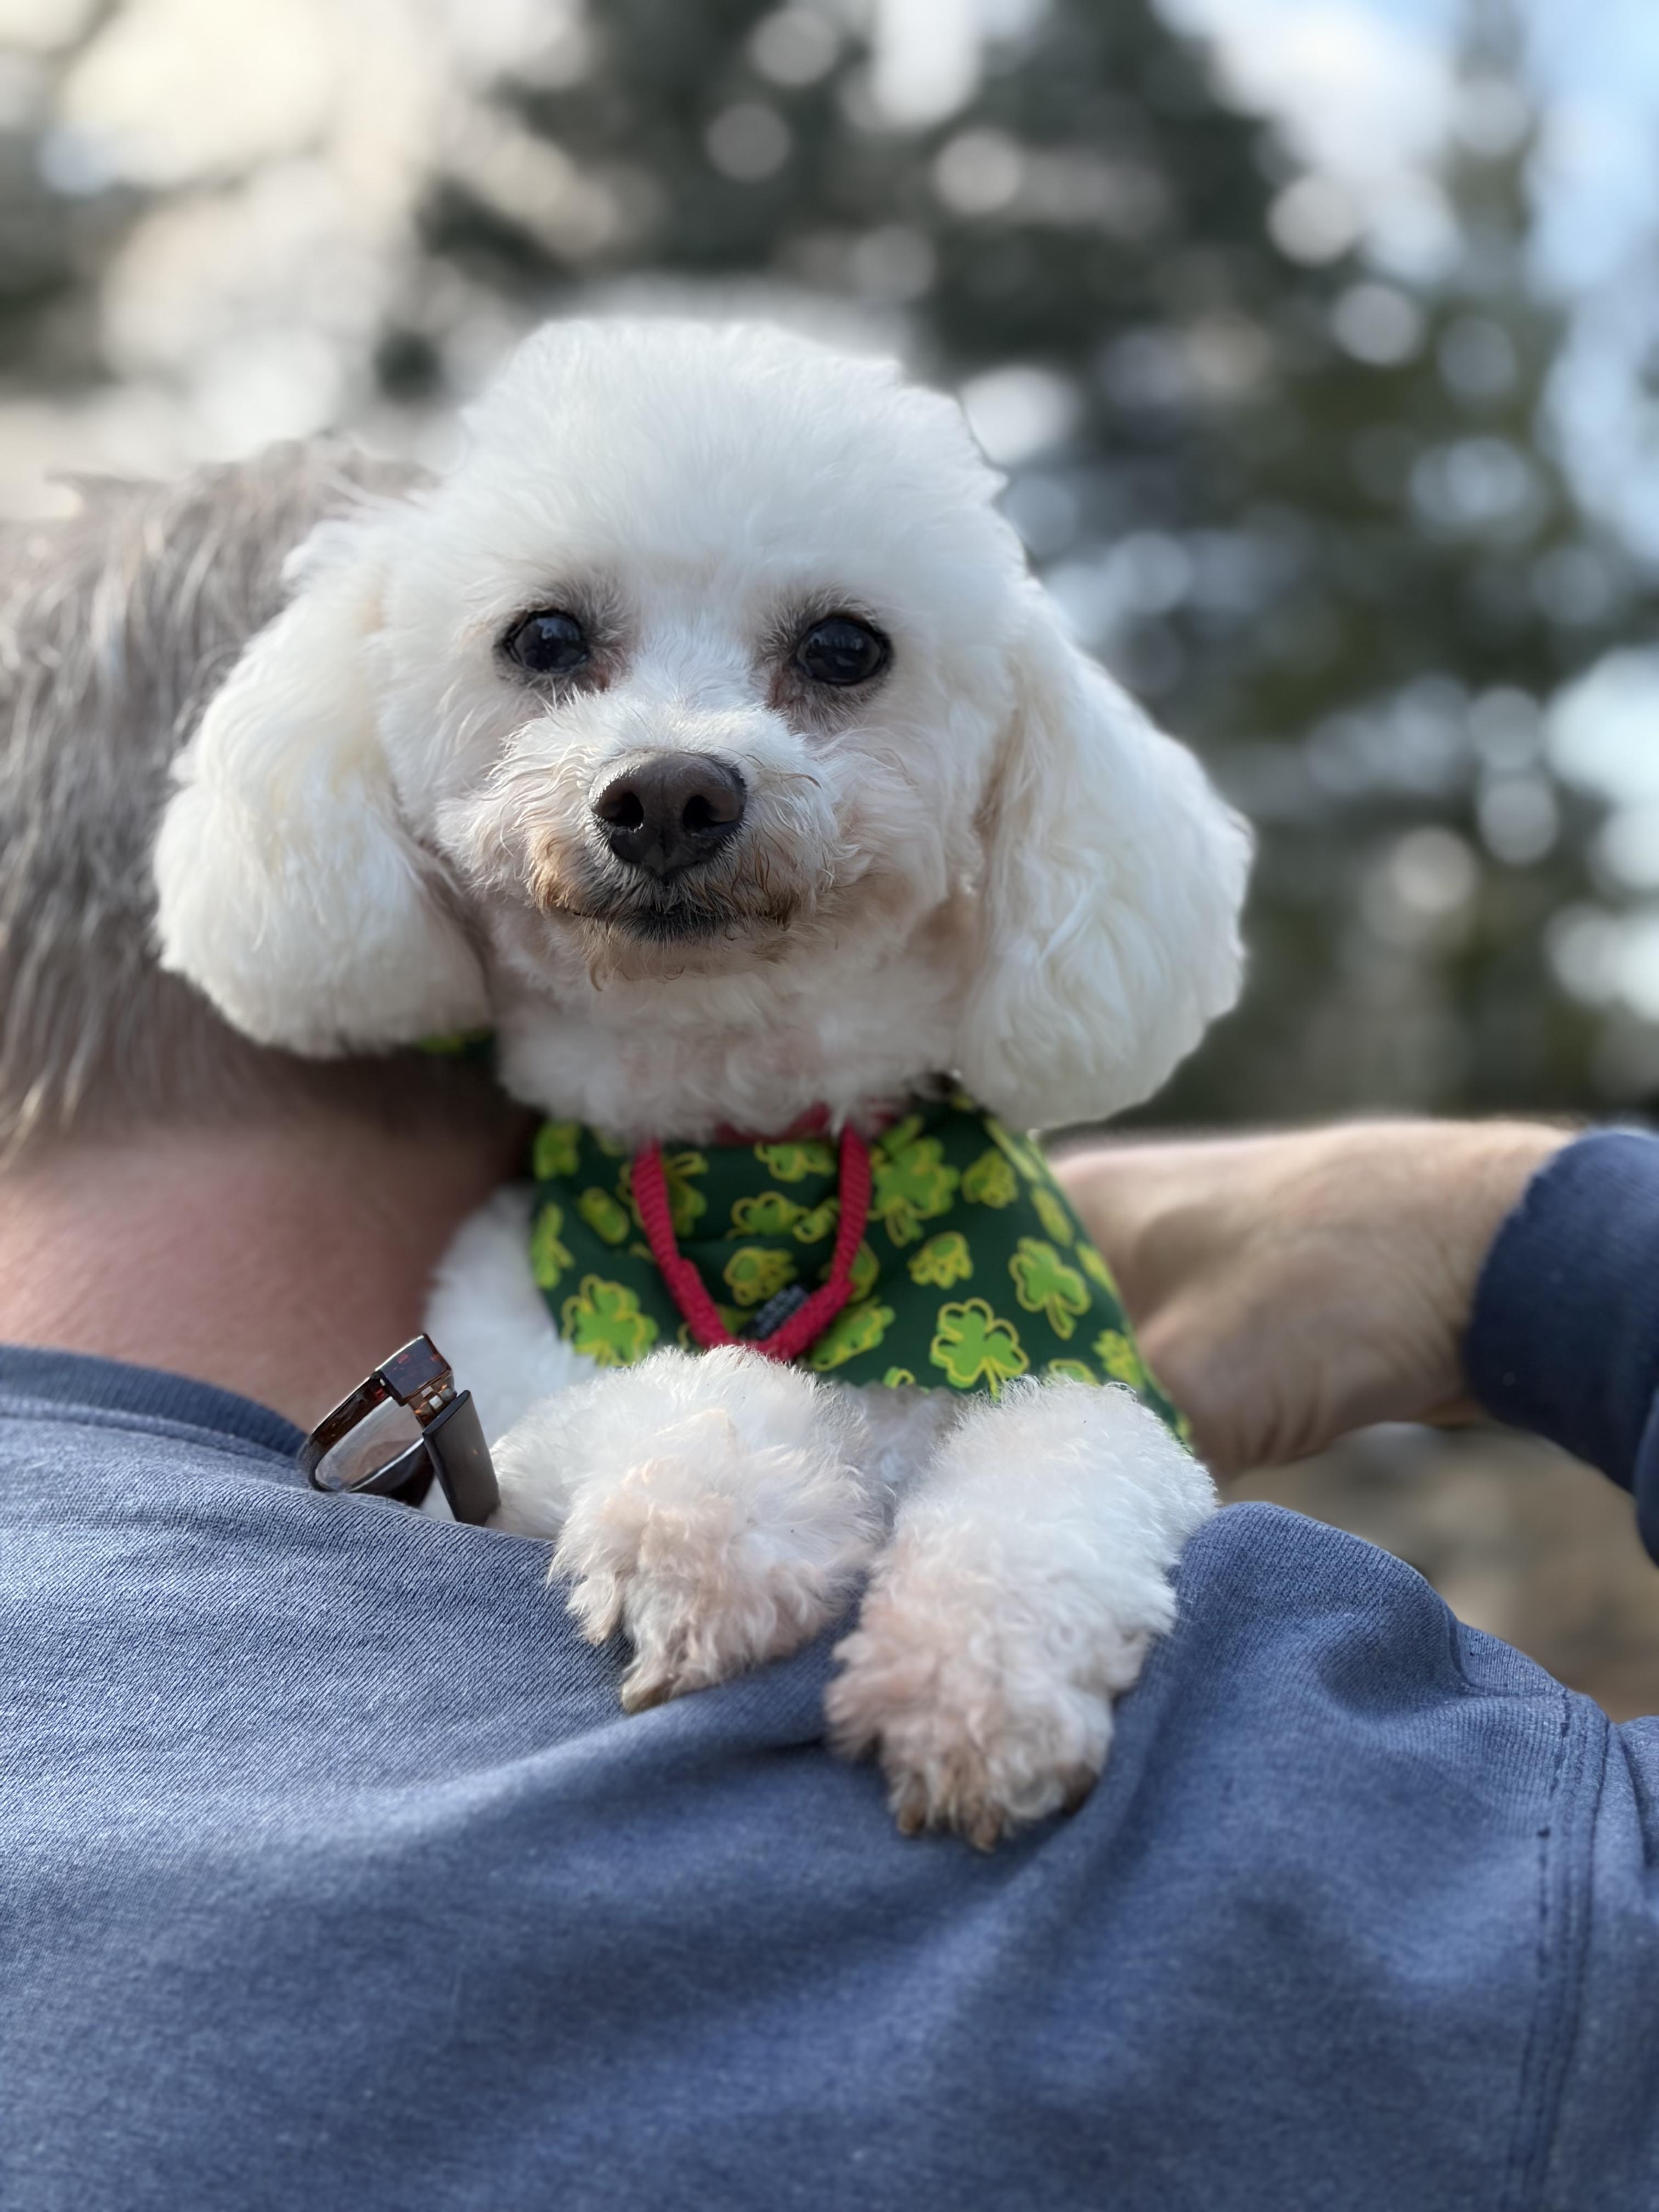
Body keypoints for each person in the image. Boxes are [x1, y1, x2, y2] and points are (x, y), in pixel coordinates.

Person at [2, 452, 1655, 2212]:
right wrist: (1534, 1245)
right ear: (438, 871)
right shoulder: (1263, 1809)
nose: (672, 770)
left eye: (835, 658)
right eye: (553, 646)